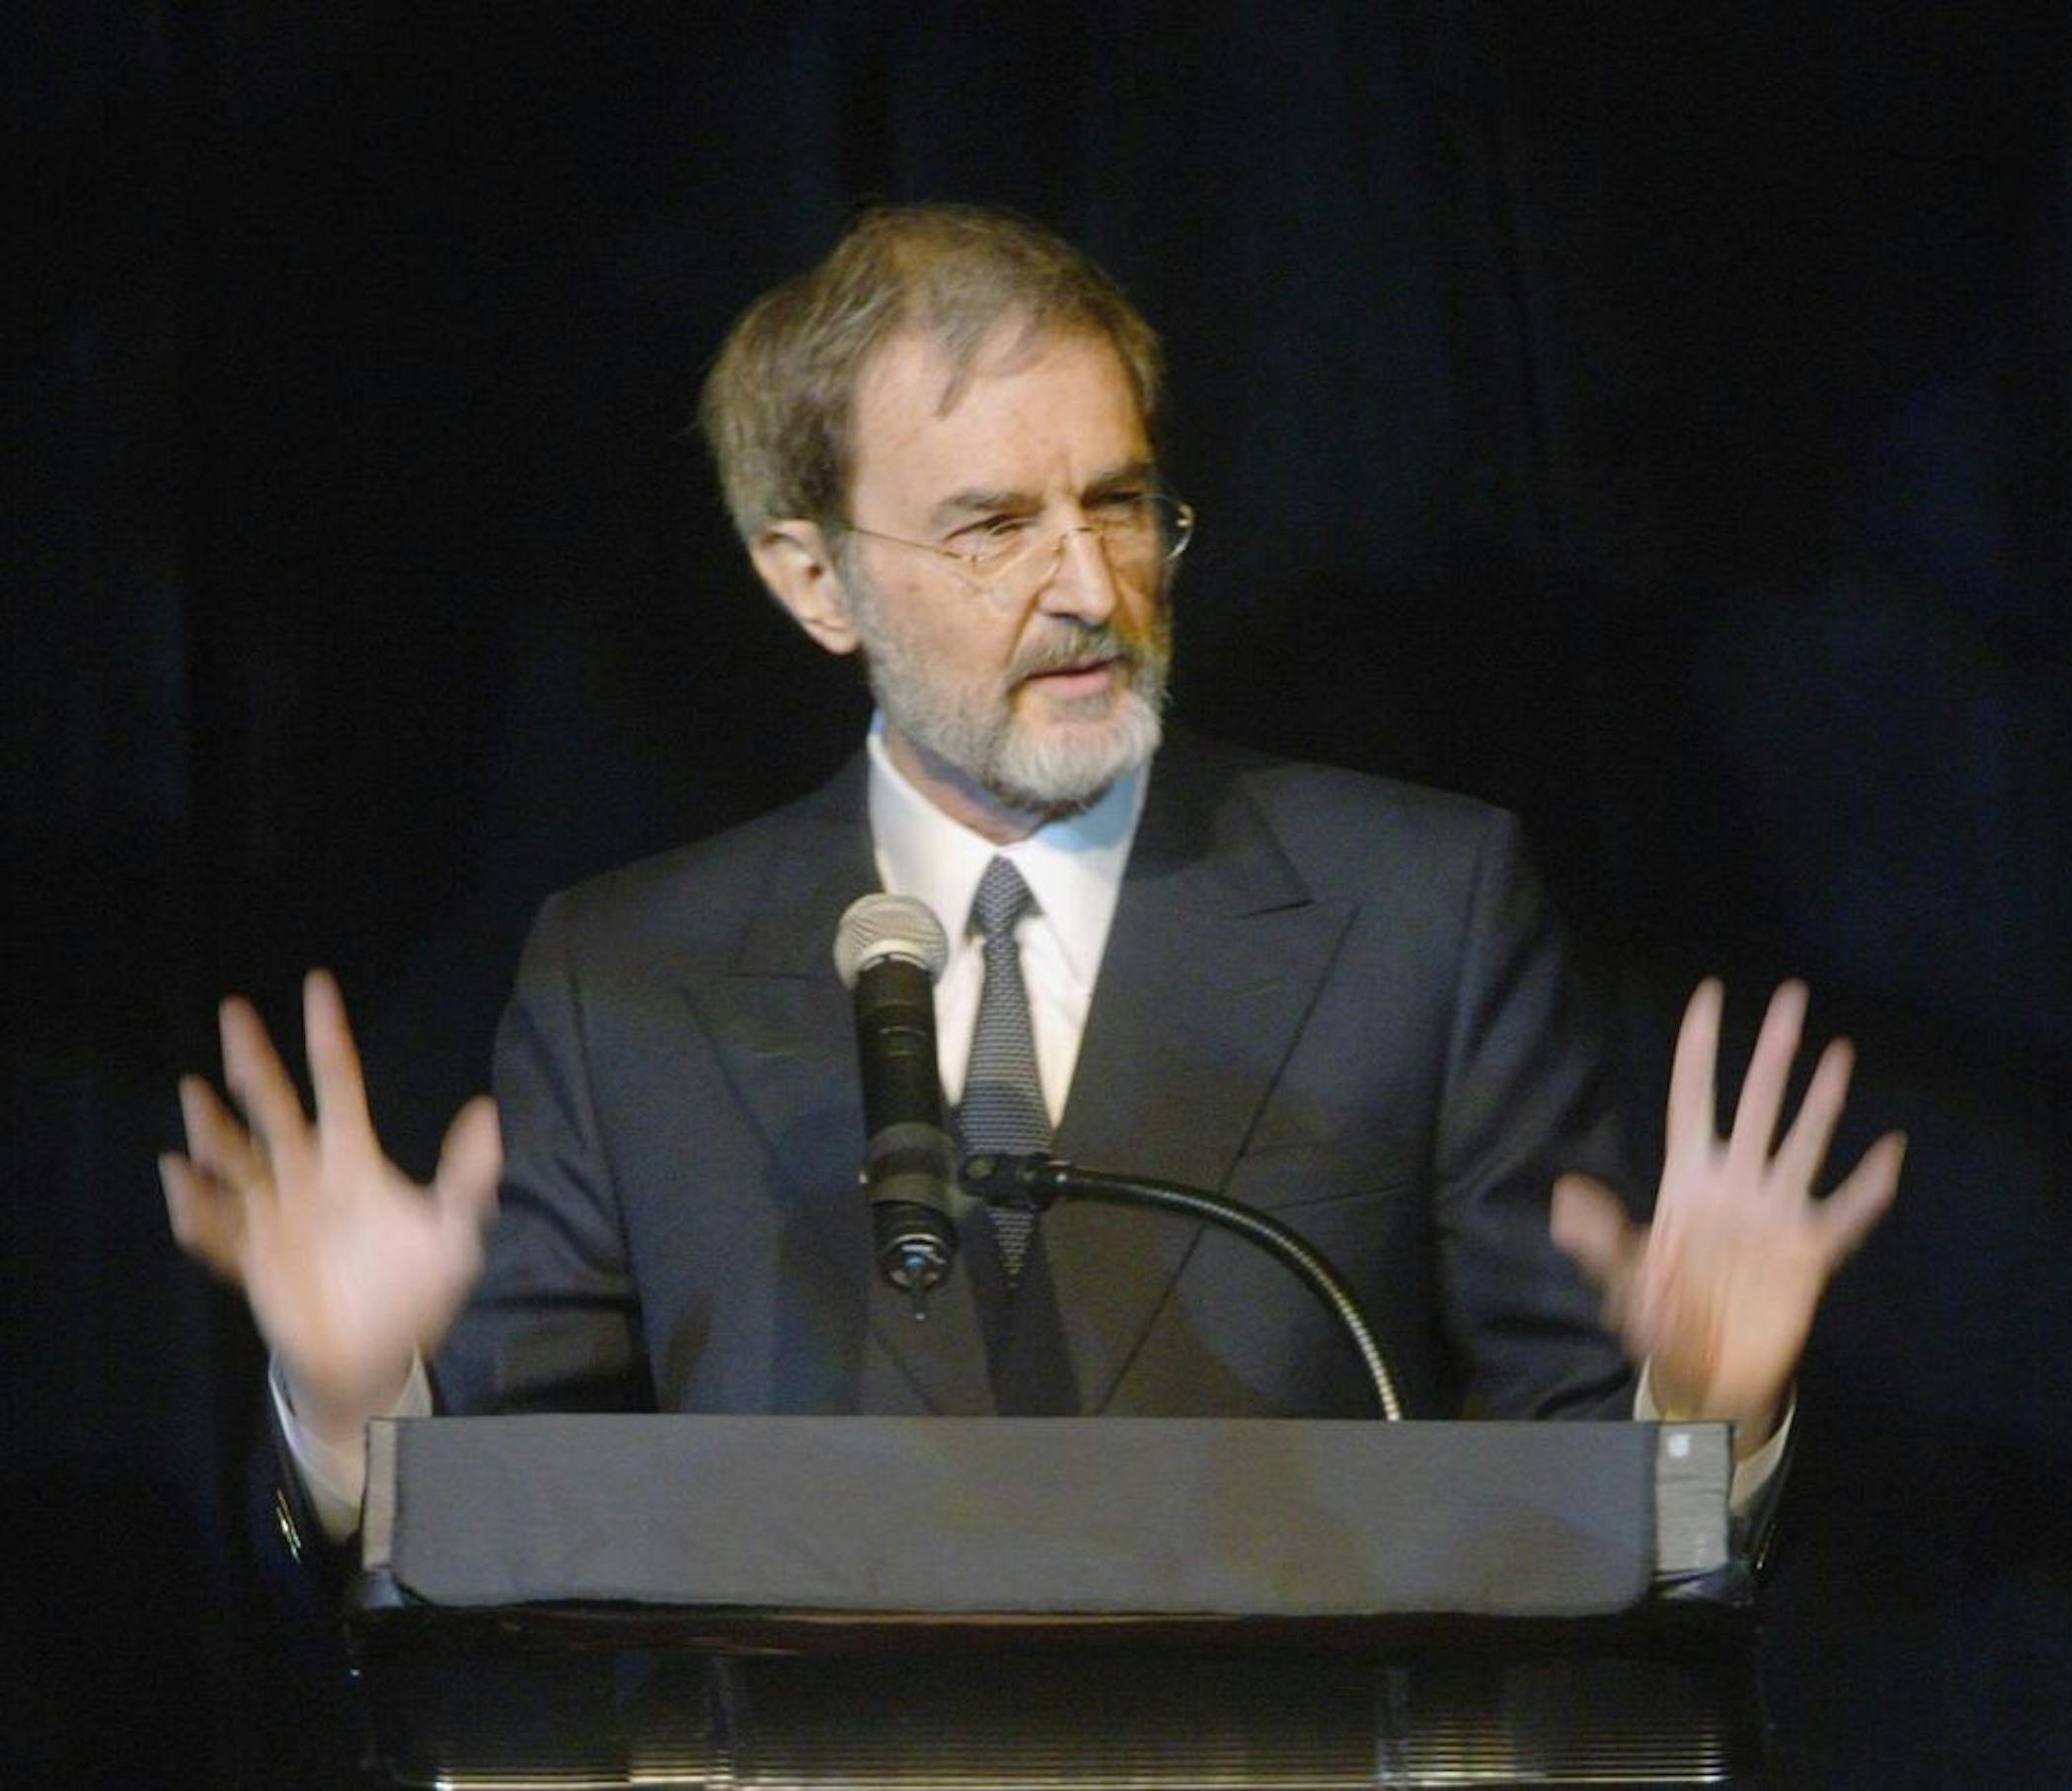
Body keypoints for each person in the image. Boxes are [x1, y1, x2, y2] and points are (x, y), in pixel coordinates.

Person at [161, 204, 1905, 1548]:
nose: (1087, 585)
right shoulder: (629, 977)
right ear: (813, 579)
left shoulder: (1417, 911)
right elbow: (472, 1565)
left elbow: (1597, 1527)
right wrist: (353, 1394)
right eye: (993, 526)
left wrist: (1701, 1409)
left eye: (1124, 505)